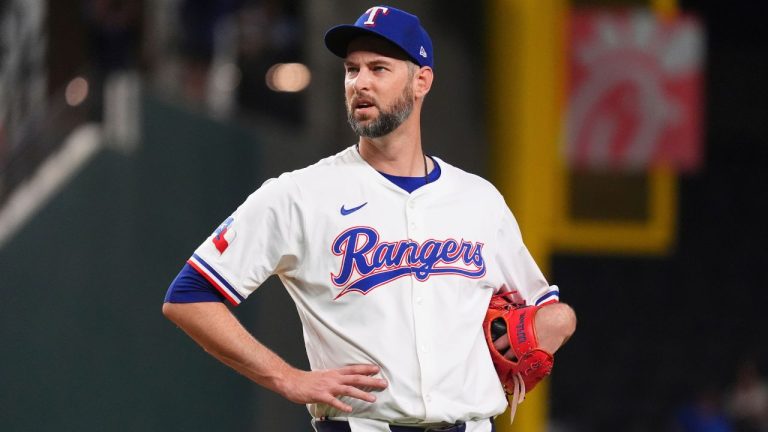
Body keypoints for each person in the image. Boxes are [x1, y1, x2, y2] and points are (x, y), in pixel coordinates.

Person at [162, 6, 576, 432]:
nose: (360, 82)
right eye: (351, 69)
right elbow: (190, 296)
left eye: (379, 68)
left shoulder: (478, 200)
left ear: (421, 81)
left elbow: (543, 307)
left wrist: (557, 323)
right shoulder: (300, 195)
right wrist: (286, 378)